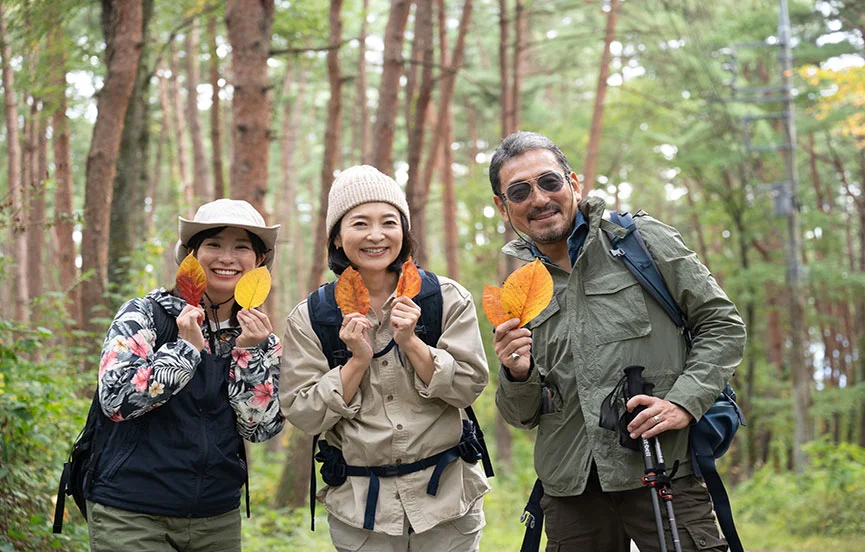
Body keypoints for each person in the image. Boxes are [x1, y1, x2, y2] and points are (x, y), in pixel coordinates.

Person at [490, 131, 746, 552]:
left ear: (573, 182)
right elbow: (521, 416)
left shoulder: (641, 241)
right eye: (520, 191)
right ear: (503, 207)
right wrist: (517, 373)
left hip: (664, 470)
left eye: (549, 182)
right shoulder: (518, 289)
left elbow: (721, 323)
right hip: (571, 492)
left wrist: (683, 401)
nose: (538, 199)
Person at [280, 165, 490, 552]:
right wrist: (356, 362)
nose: (376, 235)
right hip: (362, 513)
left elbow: (468, 387)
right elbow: (303, 412)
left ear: (404, 233)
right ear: (338, 239)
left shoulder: (444, 299)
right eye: (360, 223)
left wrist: (412, 343)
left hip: (446, 504)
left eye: (389, 222)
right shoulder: (312, 317)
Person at [85, 199, 284, 552]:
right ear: (191, 254)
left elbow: (260, 428)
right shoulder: (144, 314)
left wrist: (249, 353)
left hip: (216, 517)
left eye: (241, 247)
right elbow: (114, 400)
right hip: (131, 513)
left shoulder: (259, 336)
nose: (227, 257)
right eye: (214, 244)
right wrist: (185, 350)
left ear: (259, 262)